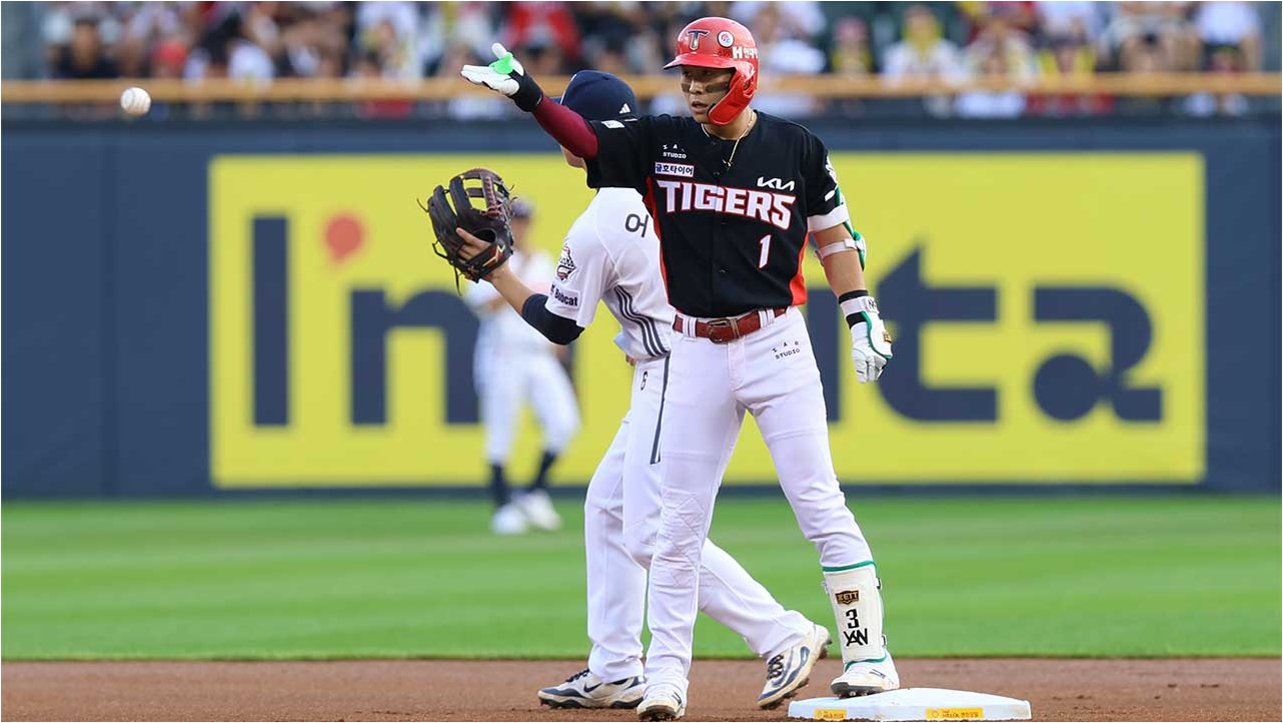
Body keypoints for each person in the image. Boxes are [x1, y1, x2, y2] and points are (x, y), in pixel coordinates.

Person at [461, 16, 898, 722]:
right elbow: (590, 141)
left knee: (811, 503)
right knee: (662, 523)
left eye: (707, 75)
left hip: (771, 342)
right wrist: (531, 98)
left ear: (742, 74)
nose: (693, 87)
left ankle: (857, 650)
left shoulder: (795, 148)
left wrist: (858, 310)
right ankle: (654, 676)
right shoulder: (664, 142)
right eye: (687, 75)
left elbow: (834, 236)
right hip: (693, 347)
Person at [464, 198, 579, 535]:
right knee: (501, 433)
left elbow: (556, 310)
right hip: (504, 354)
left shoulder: (542, 260)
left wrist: (561, 353)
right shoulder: (488, 259)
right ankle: (502, 506)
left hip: (540, 354)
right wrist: (510, 272)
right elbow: (485, 306)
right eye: (515, 221)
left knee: (565, 423)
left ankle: (533, 493)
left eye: (525, 221)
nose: (521, 227)